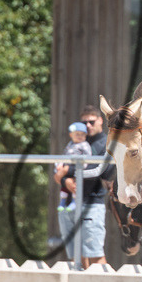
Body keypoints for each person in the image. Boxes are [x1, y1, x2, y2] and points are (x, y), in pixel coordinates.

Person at [53, 107, 110, 269]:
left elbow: (100, 170)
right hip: (69, 204)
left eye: (91, 122)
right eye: (84, 123)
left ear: (100, 120)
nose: (88, 126)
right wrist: (66, 181)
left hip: (91, 203)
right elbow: (61, 166)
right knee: (75, 257)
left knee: (95, 254)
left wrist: (65, 173)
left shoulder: (106, 143)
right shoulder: (76, 142)